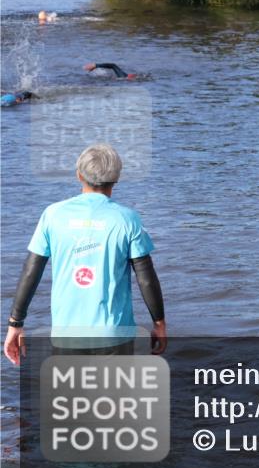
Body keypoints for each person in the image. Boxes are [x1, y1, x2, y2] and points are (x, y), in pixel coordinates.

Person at [4, 144, 166, 364]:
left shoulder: (53, 215)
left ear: (79, 175)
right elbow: (146, 278)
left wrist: (15, 323)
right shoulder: (127, 219)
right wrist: (159, 323)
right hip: (114, 336)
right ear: (116, 178)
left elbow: (31, 271)